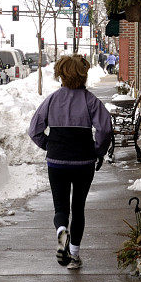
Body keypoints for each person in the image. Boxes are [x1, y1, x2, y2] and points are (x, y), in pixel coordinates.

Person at [28, 54, 113, 270]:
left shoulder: (52, 100)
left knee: (61, 207)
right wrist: (98, 150)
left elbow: (34, 130)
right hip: (84, 161)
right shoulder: (90, 100)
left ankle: (60, 231)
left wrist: (49, 145)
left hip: (57, 162)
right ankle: (74, 255)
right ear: (83, 75)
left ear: (61, 75)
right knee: (79, 207)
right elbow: (104, 128)